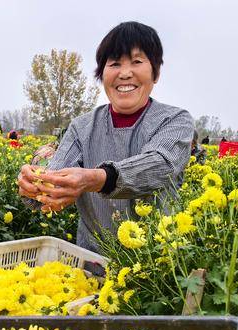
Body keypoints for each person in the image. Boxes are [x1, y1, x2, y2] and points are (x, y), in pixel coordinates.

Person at [17, 21, 194, 253]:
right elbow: (54, 180)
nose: (125, 73)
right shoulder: (82, 127)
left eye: (137, 62)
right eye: (114, 63)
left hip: (157, 267)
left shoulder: (174, 120)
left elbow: (160, 165)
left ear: (156, 72)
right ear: (102, 73)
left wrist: (99, 178)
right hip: (91, 264)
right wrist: (35, 186)